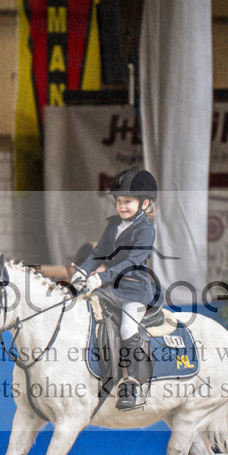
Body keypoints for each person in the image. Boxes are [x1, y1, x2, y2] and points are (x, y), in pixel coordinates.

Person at [71, 167, 162, 410]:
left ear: (144, 204)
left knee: (127, 327)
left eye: (128, 202)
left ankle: (130, 383)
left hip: (134, 290)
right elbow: (98, 253)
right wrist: (82, 271)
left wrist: (101, 278)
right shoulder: (113, 226)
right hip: (110, 288)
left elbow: (131, 263)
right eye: (119, 202)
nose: (122, 206)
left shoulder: (145, 230)